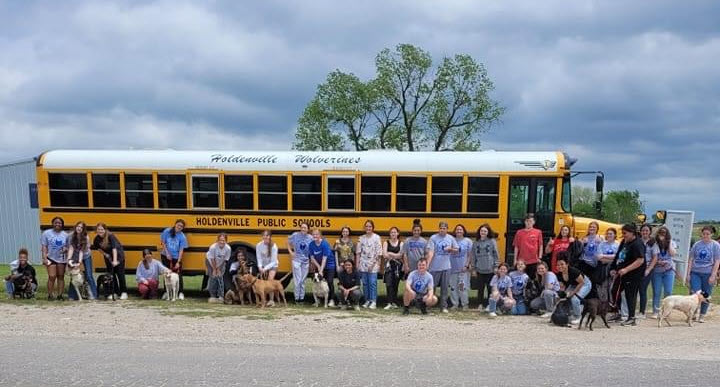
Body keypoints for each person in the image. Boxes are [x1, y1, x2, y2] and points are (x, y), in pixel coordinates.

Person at [610, 223, 646, 326]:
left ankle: (631, 317)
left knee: (630, 295)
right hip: (621, 272)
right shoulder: (624, 241)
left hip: (633, 274)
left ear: (632, 233)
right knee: (614, 290)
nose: (623, 235)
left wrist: (626, 269)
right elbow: (618, 255)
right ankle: (618, 313)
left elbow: (640, 260)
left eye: (625, 233)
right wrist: (613, 267)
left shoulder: (637, 244)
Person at [686, 225, 720, 323]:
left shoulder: (715, 245)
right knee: (695, 293)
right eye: (703, 234)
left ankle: (702, 315)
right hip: (695, 272)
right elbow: (691, 259)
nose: (705, 236)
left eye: (707, 234)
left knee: (705, 294)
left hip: (708, 273)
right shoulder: (697, 244)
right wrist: (688, 274)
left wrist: (713, 275)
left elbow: (717, 260)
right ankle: (693, 312)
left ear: (711, 234)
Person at [427, 221, 459, 314]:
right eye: (441, 228)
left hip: (446, 267)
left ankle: (443, 307)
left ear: (447, 229)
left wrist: (451, 249)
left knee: (445, 288)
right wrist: (428, 264)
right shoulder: (433, 238)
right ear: (438, 229)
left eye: (444, 228)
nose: (442, 230)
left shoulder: (451, 238)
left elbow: (457, 250)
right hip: (434, 267)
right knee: (432, 287)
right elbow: (431, 252)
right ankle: (429, 305)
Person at [92, 223, 128, 300]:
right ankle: (115, 292)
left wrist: (115, 261)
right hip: (108, 258)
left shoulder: (110, 236)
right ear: (96, 230)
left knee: (120, 274)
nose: (100, 231)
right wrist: (105, 254)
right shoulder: (96, 239)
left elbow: (114, 249)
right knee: (111, 276)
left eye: (102, 229)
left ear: (105, 230)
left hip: (118, 256)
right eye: (98, 229)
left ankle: (124, 292)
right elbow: (98, 248)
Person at [556, 254, 592, 324]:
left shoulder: (573, 271)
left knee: (575, 299)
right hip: (573, 284)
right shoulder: (559, 274)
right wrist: (561, 295)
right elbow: (562, 286)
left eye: (562, 264)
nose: (560, 266)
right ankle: (579, 309)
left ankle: (579, 317)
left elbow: (581, 282)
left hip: (585, 284)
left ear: (567, 264)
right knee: (566, 297)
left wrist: (573, 293)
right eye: (558, 265)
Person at [470, 223, 499, 311]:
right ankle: (480, 304)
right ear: (479, 232)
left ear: (488, 232)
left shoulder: (492, 241)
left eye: (485, 231)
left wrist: (496, 266)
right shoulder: (475, 243)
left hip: (490, 269)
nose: (483, 232)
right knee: (480, 289)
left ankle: (490, 305)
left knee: (490, 288)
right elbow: (473, 256)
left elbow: (495, 254)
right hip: (479, 269)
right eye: (482, 231)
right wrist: (474, 268)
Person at [66, 221, 97, 300]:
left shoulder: (85, 237)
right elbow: (71, 248)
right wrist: (69, 260)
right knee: (74, 275)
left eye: (81, 227)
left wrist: (79, 262)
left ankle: (93, 295)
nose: (79, 228)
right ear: (75, 227)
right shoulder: (70, 235)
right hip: (74, 255)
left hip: (86, 255)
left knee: (89, 275)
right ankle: (72, 296)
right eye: (78, 226)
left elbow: (81, 251)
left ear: (83, 230)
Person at [651, 226, 677, 318]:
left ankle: (666, 311)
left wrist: (669, 242)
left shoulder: (672, 242)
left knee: (668, 292)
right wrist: (658, 262)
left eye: (664, 233)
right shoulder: (655, 243)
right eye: (661, 232)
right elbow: (653, 257)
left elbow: (672, 254)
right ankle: (655, 311)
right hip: (657, 271)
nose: (663, 234)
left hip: (669, 270)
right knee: (657, 291)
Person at [41, 216, 68, 301]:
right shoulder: (46, 233)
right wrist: (44, 258)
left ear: (62, 224)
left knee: (61, 276)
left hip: (61, 259)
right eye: (56, 222)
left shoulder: (66, 235)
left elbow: (69, 247)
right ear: (52, 223)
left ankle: (60, 295)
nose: (57, 224)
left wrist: (66, 249)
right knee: (52, 276)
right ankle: (50, 295)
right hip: (50, 257)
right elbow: (44, 246)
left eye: (59, 223)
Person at [356, 220, 382, 309]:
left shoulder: (377, 238)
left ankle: (373, 301)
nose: (368, 228)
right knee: (365, 283)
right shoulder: (361, 238)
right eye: (366, 226)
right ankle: (367, 300)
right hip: (363, 263)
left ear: (373, 228)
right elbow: (358, 252)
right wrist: (357, 265)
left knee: (372, 283)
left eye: (370, 226)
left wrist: (374, 264)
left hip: (373, 264)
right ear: (364, 228)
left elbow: (379, 253)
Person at [160, 219, 188, 300]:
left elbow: (181, 250)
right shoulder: (167, 231)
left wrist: (178, 262)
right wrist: (167, 253)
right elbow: (163, 242)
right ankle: (166, 292)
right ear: (175, 224)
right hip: (165, 256)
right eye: (178, 225)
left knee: (178, 275)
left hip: (176, 257)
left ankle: (180, 292)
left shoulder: (182, 236)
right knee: (166, 274)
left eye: (181, 226)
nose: (179, 227)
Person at [309, 229, 337, 307]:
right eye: (313, 234)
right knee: (317, 281)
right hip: (319, 264)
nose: (315, 236)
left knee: (329, 281)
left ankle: (332, 300)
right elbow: (312, 257)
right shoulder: (311, 244)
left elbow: (325, 258)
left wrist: (321, 270)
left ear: (320, 235)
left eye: (316, 234)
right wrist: (318, 267)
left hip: (329, 264)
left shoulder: (324, 244)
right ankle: (318, 300)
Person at [637, 224, 659, 319]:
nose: (644, 232)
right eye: (643, 230)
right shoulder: (637, 241)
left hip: (647, 268)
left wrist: (648, 269)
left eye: (646, 230)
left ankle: (642, 312)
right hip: (636, 268)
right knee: (634, 290)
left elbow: (655, 258)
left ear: (650, 232)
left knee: (642, 289)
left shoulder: (653, 243)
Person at [449, 224, 472, 311]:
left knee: (462, 287)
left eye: (461, 229)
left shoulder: (468, 241)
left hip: (463, 269)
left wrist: (466, 265)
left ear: (464, 231)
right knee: (453, 287)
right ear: (455, 231)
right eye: (457, 229)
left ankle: (465, 304)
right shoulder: (451, 240)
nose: (459, 231)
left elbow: (470, 255)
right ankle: (455, 304)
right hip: (452, 269)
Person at [512, 213, 543, 279]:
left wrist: (540, 257)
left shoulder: (538, 232)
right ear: (524, 222)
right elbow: (516, 246)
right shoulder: (519, 232)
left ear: (534, 222)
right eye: (527, 221)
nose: (529, 223)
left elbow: (540, 245)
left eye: (530, 221)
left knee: (532, 279)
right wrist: (515, 260)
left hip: (533, 260)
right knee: (521, 278)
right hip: (522, 261)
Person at [288, 223, 312, 303]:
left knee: (303, 280)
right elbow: (288, 242)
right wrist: (291, 251)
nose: (303, 229)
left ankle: (301, 298)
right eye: (302, 227)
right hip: (296, 260)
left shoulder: (310, 237)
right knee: (297, 280)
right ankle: (296, 298)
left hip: (306, 261)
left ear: (308, 229)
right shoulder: (295, 235)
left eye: (305, 228)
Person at [382, 227, 405, 310]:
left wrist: (390, 253)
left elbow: (401, 255)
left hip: (398, 267)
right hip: (389, 266)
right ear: (390, 234)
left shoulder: (401, 243)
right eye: (391, 232)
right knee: (389, 284)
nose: (393, 234)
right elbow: (384, 254)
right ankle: (389, 302)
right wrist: (395, 255)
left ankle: (394, 302)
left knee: (395, 284)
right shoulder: (386, 243)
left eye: (395, 232)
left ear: (398, 233)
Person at [206, 233, 231, 303]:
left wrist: (219, 269)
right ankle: (212, 296)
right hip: (210, 262)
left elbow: (225, 260)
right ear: (217, 240)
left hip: (221, 263)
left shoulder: (228, 248)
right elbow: (212, 259)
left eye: (223, 240)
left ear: (226, 241)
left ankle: (221, 296)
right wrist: (214, 269)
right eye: (220, 240)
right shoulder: (213, 247)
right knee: (213, 277)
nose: (222, 242)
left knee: (220, 277)